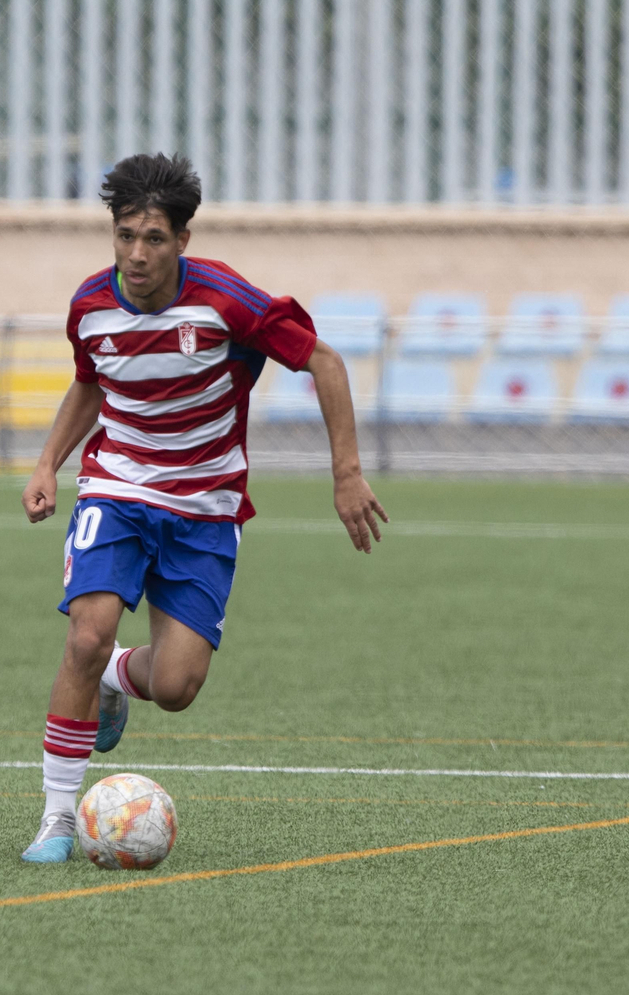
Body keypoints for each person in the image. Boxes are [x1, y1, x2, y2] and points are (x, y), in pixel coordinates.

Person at [19, 152, 387, 863]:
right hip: (118, 490)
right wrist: (47, 463)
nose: (137, 254)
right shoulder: (90, 307)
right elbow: (91, 384)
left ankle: (118, 677)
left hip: (205, 509)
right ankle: (58, 818)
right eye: (125, 235)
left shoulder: (227, 302)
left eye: (153, 239)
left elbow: (326, 363)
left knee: (178, 686)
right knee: (85, 634)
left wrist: (346, 475)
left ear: (182, 240)